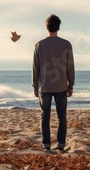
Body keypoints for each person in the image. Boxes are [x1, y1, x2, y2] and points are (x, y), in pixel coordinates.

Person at [32, 14, 75, 152]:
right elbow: (70, 66)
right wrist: (71, 84)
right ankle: (61, 144)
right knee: (61, 115)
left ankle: (46, 144)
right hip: (61, 85)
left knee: (45, 116)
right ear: (58, 27)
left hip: (44, 86)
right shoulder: (66, 44)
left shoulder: (39, 45)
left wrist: (34, 85)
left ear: (47, 27)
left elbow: (35, 67)